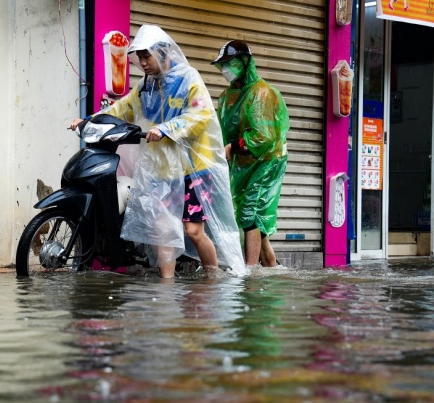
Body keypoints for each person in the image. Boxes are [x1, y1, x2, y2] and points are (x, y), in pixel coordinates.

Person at [71, 25, 245, 278]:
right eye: (139, 57)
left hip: (193, 168)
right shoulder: (144, 87)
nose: (142, 62)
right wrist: (89, 120)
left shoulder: (188, 78)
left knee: (193, 231)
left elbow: (202, 114)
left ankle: (212, 278)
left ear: (163, 52)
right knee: (162, 228)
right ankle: (166, 287)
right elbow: (122, 109)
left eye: (146, 56)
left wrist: (167, 128)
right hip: (163, 169)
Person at [212, 40, 290, 268]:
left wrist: (234, 146)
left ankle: (250, 270)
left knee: (248, 213)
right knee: (248, 214)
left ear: (246, 63)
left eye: (231, 63)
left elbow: (263, 136)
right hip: (242, 163)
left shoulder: (261, 93)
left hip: (265, 161)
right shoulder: (227, 96)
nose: (226, 69)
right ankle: (270, 263)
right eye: (223, 64)